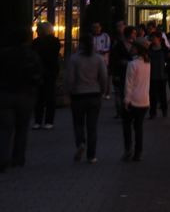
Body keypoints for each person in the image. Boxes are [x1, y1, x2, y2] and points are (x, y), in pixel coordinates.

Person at [0, 27, 43, 171]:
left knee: (5, 129)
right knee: (22, 129)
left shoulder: (4, 55)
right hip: (26, 95)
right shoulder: (31, 55)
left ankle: (3, 159)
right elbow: (38, 75)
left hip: (6, 94)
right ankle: (18, 159)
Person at [65, 30, 108, 163]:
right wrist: (103, 91)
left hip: (78, 95)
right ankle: (92, 155)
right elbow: (103, 77)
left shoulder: (74, 59)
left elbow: (70, 78)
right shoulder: (98, 59)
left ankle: (80, 143)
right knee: (92, 126)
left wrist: (69, 92)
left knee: (78, 124)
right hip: (94, 94)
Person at [122, 38, 150, 161]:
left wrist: (126, 100)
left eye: (133, 47)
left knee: (127, 126)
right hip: (144, 99)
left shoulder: (132, 64)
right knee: (139, 127)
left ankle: (128, 149)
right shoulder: (148, 63)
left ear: (137, 49)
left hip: (133, 100)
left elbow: (129, 84)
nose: (131, 49)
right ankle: (138, 151)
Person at [31, 22, 61, 130]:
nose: (36, 31)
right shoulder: (53, 42)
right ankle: (46, 121)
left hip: (46, 71)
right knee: (46, 96)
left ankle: (41, 120)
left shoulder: (40, 42)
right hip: (48, 71)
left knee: (43, 96)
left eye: (38, 29)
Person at [109, 26, 135, 118]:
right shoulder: (119, 45)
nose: (135, 35)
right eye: (133, 33)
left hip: (130, 72)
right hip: (121, 71)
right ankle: (121, 111)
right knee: (120, 93)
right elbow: (114, 59)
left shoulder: (135, 44)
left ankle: (126, 111)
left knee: (127, 92)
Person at [148, 32, 168, 118]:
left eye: (154, 37)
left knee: (162, 94)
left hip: (162, 75)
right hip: (152, 75)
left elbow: (168, 60)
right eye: (152, 38)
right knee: (152, 95)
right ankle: (153, 112)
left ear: (159, 39)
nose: (153, 39)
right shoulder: (149, 49)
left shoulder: (164, 49)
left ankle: (164, 110)